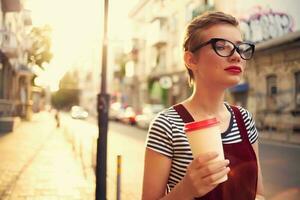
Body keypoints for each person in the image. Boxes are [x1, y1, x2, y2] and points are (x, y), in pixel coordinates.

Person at [142, 11, 265, 200]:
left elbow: (258, 193)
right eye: (222, 47)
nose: (237, 57)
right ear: (191, 60)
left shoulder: (244, 119)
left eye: (240, 48)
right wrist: (185, 190)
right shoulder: (167, 125)